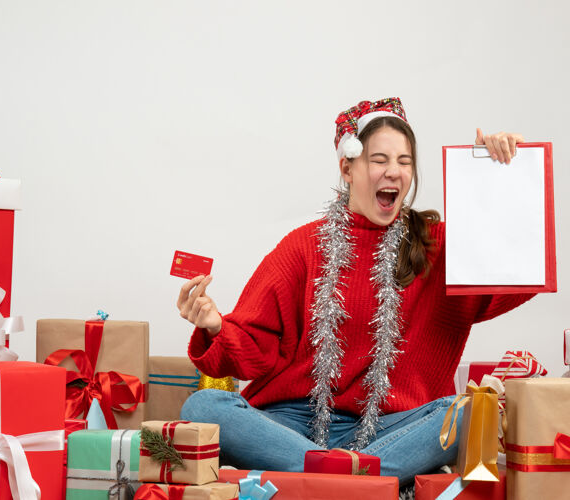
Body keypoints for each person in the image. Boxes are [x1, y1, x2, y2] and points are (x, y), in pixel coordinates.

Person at [176, 97, 533, 487]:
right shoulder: (302, 247)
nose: (393, 172)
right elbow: (253, 349)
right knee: (204, 406)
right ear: (348, 167)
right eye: (380, 160)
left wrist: (501, 176)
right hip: (293, 423)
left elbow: (515, 271)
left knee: (466, 413)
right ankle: (358, 480)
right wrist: (213, 325)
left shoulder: (436, 246)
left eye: (405, 161)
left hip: (393, 426)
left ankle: (327, 478)